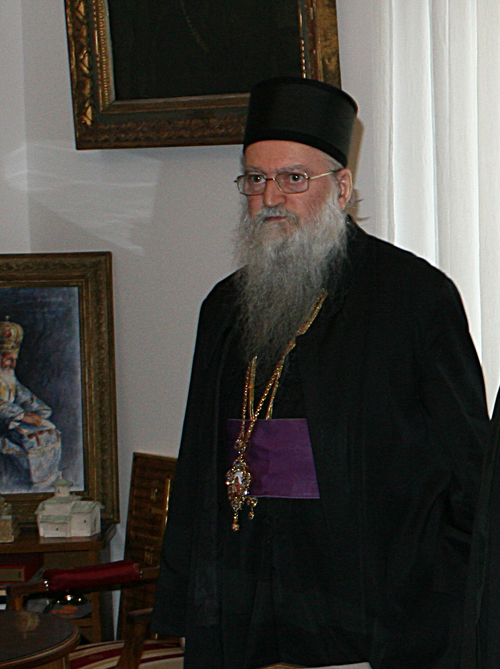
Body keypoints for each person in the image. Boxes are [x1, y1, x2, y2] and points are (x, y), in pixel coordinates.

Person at [151, 77, 489, 669]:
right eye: (255, 179)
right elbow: (200, 459)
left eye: (294, 178)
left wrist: (449, 610)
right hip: (249, 598)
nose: (271, 196)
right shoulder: (224, 308)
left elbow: (471, 473)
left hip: (374, 614)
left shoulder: (415, 297)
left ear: (342, 188)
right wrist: (189, 605)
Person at [0, 317, 62, 491]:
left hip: (10, 427)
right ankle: (35, 485)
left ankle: (44, 484)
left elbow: (24, 396)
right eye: (8, 359)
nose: (12, 364)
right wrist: (23, 416)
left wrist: (40, 413)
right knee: (29, 442)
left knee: (50, 433)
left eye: (14, 360)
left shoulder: (7, 375)